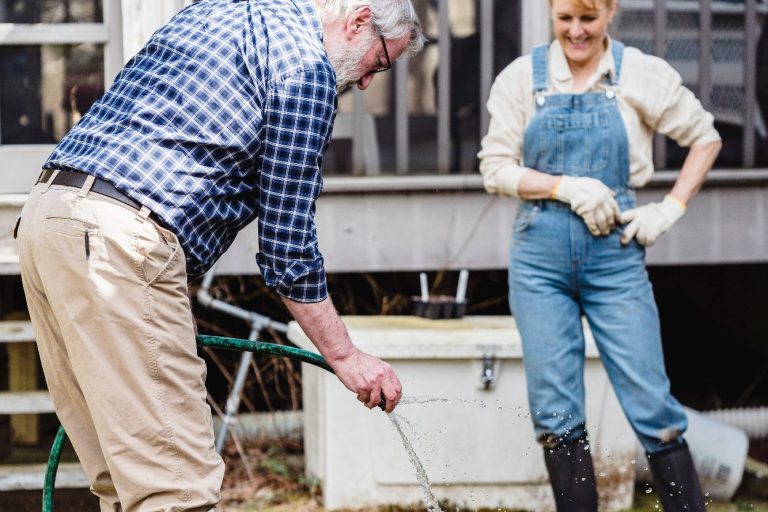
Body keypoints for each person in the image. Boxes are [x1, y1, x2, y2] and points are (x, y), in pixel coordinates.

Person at [14, 0, 424, 509]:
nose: (366, 83)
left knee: (124, 480)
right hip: (122, 240)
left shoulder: (223, 11)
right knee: (176, 487)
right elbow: (287, 248)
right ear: (360, 20)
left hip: (48, 220)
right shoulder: (307, 73)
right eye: (380, 64)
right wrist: (344, 356)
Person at [478, 0, 721, 510]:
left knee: (653, 405)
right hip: (539, 264)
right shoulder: (522, 79)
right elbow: (496, 168)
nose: (576, 31)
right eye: (565, 18)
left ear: (610, 12)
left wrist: (670, 208)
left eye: (588, 18)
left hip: (616, 259)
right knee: (556, 413)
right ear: (551, 13)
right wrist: (565, 186)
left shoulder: (641, 75)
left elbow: (705, 138)